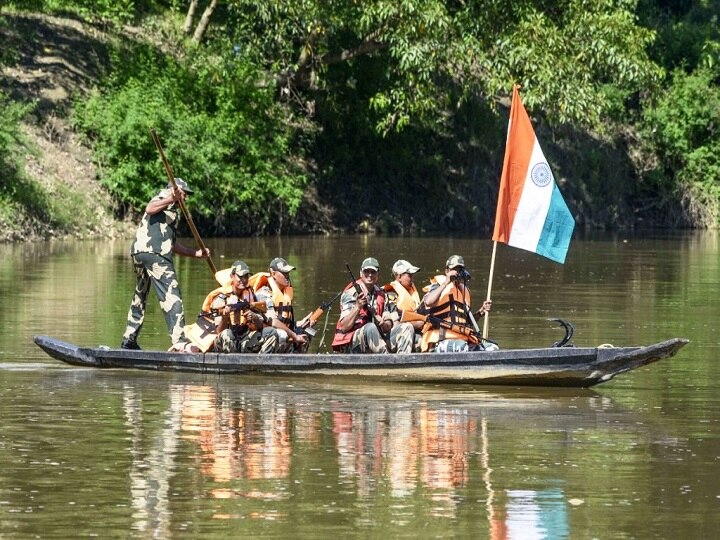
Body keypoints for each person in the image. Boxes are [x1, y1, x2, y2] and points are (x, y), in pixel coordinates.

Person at [121, 178, 210, 352]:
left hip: (141, 253)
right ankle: (180, 340)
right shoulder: (165, 196)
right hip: (154, 254)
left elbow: (171, 244)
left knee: (140, 295)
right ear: (176, 190)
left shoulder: (172, 211)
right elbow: (150, 207)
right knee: (171, 293)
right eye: (185, 193)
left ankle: (128, 338)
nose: (186, 197)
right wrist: (171, 198)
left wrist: (196, 254)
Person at [189, 260, 279, 353]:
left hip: (244, 340)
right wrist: (225, 318)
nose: (243, 280)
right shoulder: (221, 299)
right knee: (226, 334)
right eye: (240, 277)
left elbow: (260, 325)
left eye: (246, 276)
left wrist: (255, 317)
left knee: (271, 332)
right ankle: (231, 364)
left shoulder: (250, 294)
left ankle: (261, 363)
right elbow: (219, 332)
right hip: (225, 342)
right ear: (232, 276)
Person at [332, 257, 415, 354]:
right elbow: (344, 327)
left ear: (377, 274)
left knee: (407, 327)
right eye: (366, 271)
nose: (370, 275)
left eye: (373, 272)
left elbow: (388, 325)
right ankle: (387, 362)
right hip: (352, 342)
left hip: (377, 338)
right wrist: (357, 307)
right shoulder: (350, 294)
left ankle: (402, 362)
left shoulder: (382, 294)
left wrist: (382, 322)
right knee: (370, 328)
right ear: (361, 273)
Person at [420, 255, 492, 353]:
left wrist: (481, 312)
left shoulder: (464, 291)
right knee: (462, 348)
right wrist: (446, 282)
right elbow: (428, 302)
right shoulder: (438, 286)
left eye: (460, 270)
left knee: (491, 349)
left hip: (462, 340)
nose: (457, 273)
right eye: (454, 269)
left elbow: (467, 323)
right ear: (447, 271)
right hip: (440, 340)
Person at [250, 257, 313, 352]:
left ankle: (295, 363)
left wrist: (301, 323)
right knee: (282, 334)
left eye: (288, 273)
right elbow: (273, 322)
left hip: (280, 333)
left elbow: (284, 321)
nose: (287, 276)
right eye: (284, 273)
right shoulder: (263, 294)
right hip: (262, 336)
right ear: (273, 273)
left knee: (306, 332)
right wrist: (295, 336)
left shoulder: (285, 293)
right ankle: (265, 363)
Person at [384, 259, 424, 351]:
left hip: (412, 330)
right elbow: (395, 323)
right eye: (409, 275)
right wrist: (415, 324)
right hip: (392, 335)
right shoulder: (391, 292)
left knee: (426, 339)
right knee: (408, 327)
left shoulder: (412, 292)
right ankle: (403, 361)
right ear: (399, 277)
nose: (412, 278)